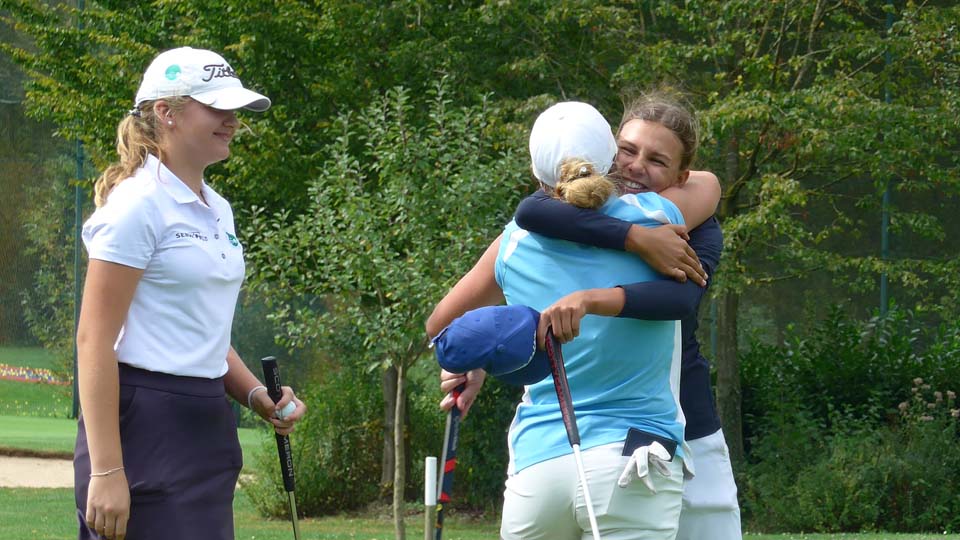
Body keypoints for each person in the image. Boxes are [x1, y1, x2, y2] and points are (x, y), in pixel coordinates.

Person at [434, 91, 741, 540]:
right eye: (628, 150)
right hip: (585, 443)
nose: (636, 166)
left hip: (687, 423)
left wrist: (599, 289)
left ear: (681, 175)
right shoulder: (546, 220)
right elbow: (531, 211)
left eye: (657, 160)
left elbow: (681, 296)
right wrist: (478, 355)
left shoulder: (687, 222)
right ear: (603, 153)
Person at [74, 47, 306, 540]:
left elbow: (202, 331)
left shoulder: (217, 209)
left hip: (206, 422)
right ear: (167, 113)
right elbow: (94, 340)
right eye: (216, 107)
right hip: (143, 424)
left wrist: (256, 395)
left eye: (235, 110)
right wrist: (107, 470)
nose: (232, 120)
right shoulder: (136, 205)